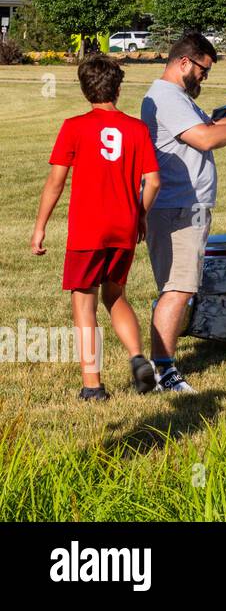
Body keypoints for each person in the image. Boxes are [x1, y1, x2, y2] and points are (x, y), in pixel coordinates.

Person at [140, 33, 226, 393]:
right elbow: (204, 139)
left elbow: (211, 128)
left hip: (186, 206)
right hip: (177, 207)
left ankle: (160, 366)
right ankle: (163, 372)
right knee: (177, 288)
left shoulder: (176, 97)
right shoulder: (166, 98)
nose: (204, 77)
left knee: (180, 287)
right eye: (203, 69)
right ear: (185, 62)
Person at [31, 55, 161, 401]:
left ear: (85, 90)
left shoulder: (74, 126)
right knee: (116, 294)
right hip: (123, 228)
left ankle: (93, 386)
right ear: (118, 88)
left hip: (88, 230)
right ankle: (137, 356)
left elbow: (56, 182)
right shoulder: (137, 129)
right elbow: (153, 181)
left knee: (84, 302)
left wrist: (40, 226)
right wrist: (140, 215)